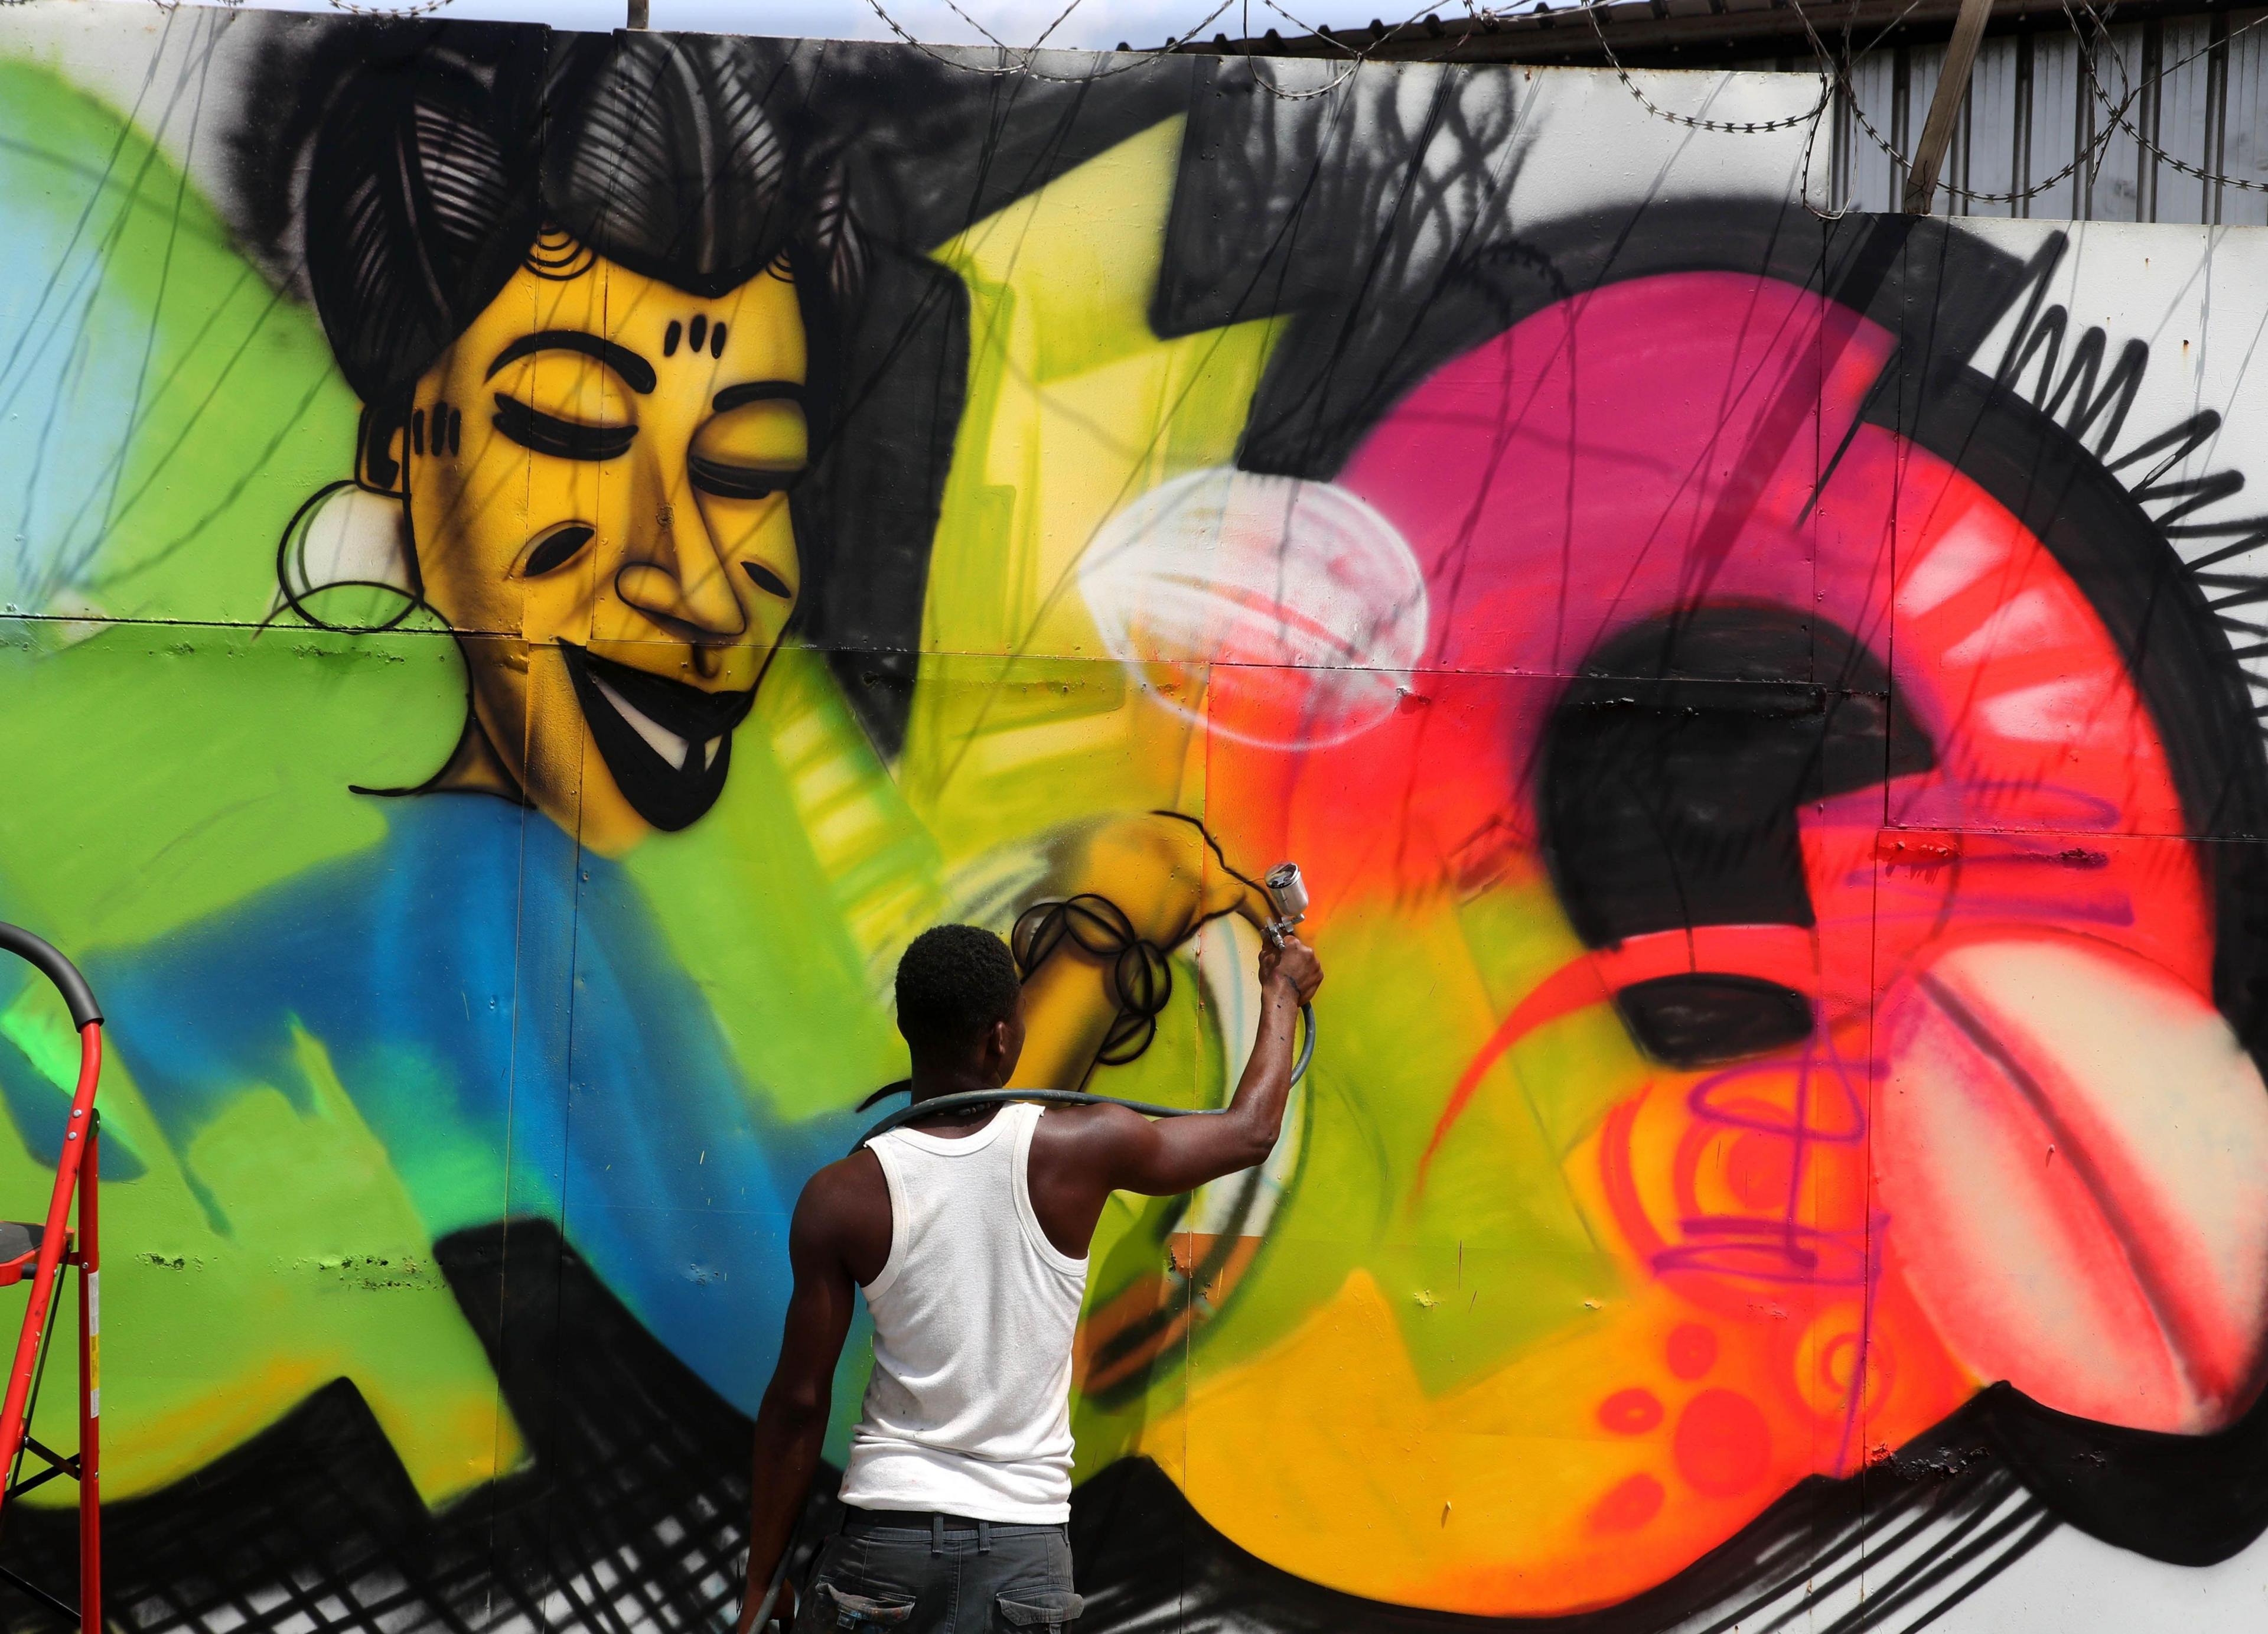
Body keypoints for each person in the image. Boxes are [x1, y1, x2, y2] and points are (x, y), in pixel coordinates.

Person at [735, 920, 1325, 1634]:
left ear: (906, 1028)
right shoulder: (1082, 1150)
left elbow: (798, 1404)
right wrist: (1282, 989)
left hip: (885, 1550)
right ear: (1001, 1039)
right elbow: (1251, 1131)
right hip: (1024, 1556)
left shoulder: (841, 1196)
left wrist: (761, 1586)